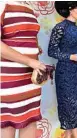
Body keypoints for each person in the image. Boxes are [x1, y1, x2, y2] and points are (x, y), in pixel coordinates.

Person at [0, 1, 46, 138]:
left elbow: (30, 37)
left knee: (31, 118)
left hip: (31, 77)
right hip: (10, 78)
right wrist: (29, 60)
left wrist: (34, 48)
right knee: (8, 120)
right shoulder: (3, 4)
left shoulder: (29, 7)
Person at [48, 2, 77, 138]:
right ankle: (75, 135)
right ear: (71, 10)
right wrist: (71, 56)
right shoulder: (60, 27)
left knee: (75, 107)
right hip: (65, 73)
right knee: (68, 107)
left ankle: (67, 135)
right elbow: (52, 51)